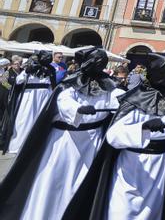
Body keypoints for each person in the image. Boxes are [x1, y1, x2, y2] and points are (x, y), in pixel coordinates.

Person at [64, 52, 165, 219]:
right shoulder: (136, 97)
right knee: (122, 209)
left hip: (159, 164)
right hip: (131, 164)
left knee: (151, 212)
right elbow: (114, 135)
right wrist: (142, 128)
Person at [0, 47, 124, 220]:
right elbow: (64, 100)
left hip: (90, 142)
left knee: (80, 183)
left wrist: (134, 101)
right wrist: (78, 109)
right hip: (64, 142)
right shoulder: (70, 84)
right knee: (55, 181)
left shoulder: (110, 86)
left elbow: (120, 98)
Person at [0, 51, 56, 154]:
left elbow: (53, 85)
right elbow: (18, 81)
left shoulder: (50, 69)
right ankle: (18, 145)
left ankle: (35, 145)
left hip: (44, 97)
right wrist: (27, 71)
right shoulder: (28, 68)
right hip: (29, 97)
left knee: (39, 119)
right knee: (25, 119)